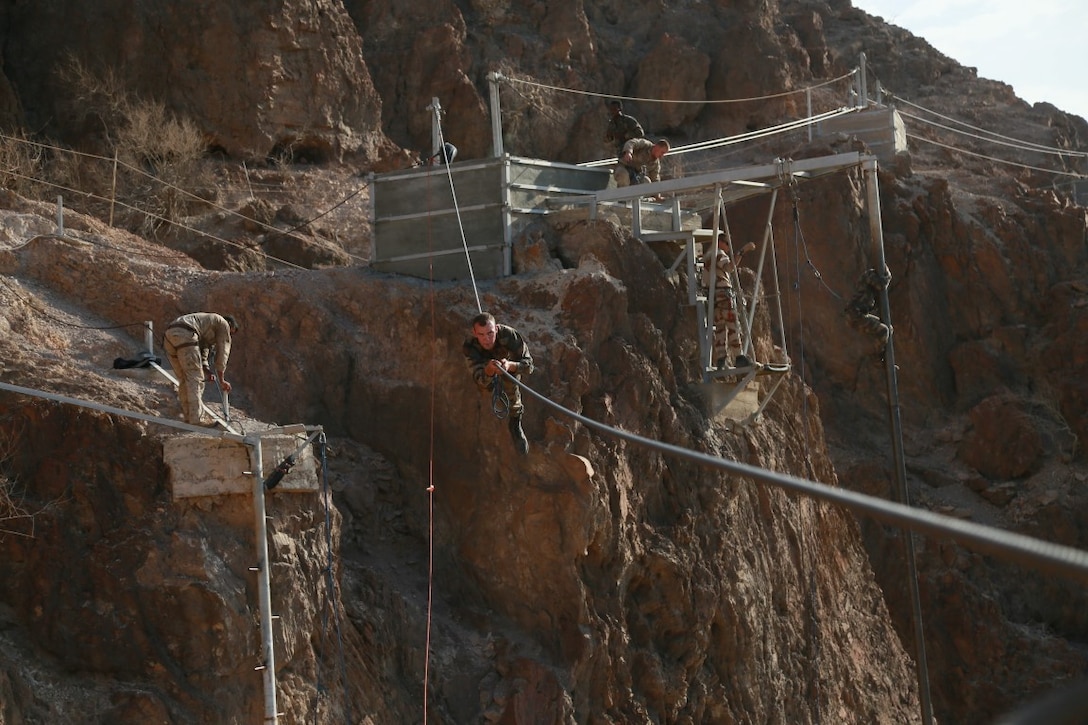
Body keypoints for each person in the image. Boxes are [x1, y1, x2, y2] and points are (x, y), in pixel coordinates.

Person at [463, 312, 534, 455]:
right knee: (486, 387)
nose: (487, 339)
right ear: (474, 333)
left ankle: (515, 423)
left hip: (506, 364)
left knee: (510, 384)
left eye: (490, 333)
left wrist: (510, 366)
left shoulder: (509, 335)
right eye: (481, 335)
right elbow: (478, 378)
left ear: (496, 328)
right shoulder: (470, 346)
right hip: (486, 367)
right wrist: (489, 371)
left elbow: (529, 366)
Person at [162, 312, 238, 425]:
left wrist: (207, 370)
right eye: (230, 332)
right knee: (195, 378)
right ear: (229, 324)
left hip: (170, 336)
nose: (228, 335)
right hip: (186, 334)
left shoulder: (206, 325)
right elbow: (223, 350)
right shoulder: (222, 323)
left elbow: (203, 351)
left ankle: (188, 416)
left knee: (184, 378)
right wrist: (222, 380)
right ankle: (197, 419)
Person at [703, 236, 756, 369]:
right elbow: (730, 267)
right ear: (720, 243)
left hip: (713, 298)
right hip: (723, 295)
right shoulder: (718, 254)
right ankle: (739, 357)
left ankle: (721, 359)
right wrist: (743, 251)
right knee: (733, 325)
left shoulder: (707, 257)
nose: (728, 247)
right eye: (727, 244)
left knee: (720, 328)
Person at [844, 266, 892, 350]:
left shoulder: (873, 284)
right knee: (883, 331)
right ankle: (877, 355)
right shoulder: (869, 275)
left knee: (889, 328)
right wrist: (888, 276)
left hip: (860, 314)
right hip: (855, 315)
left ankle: (881, 351)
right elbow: (881, 285)